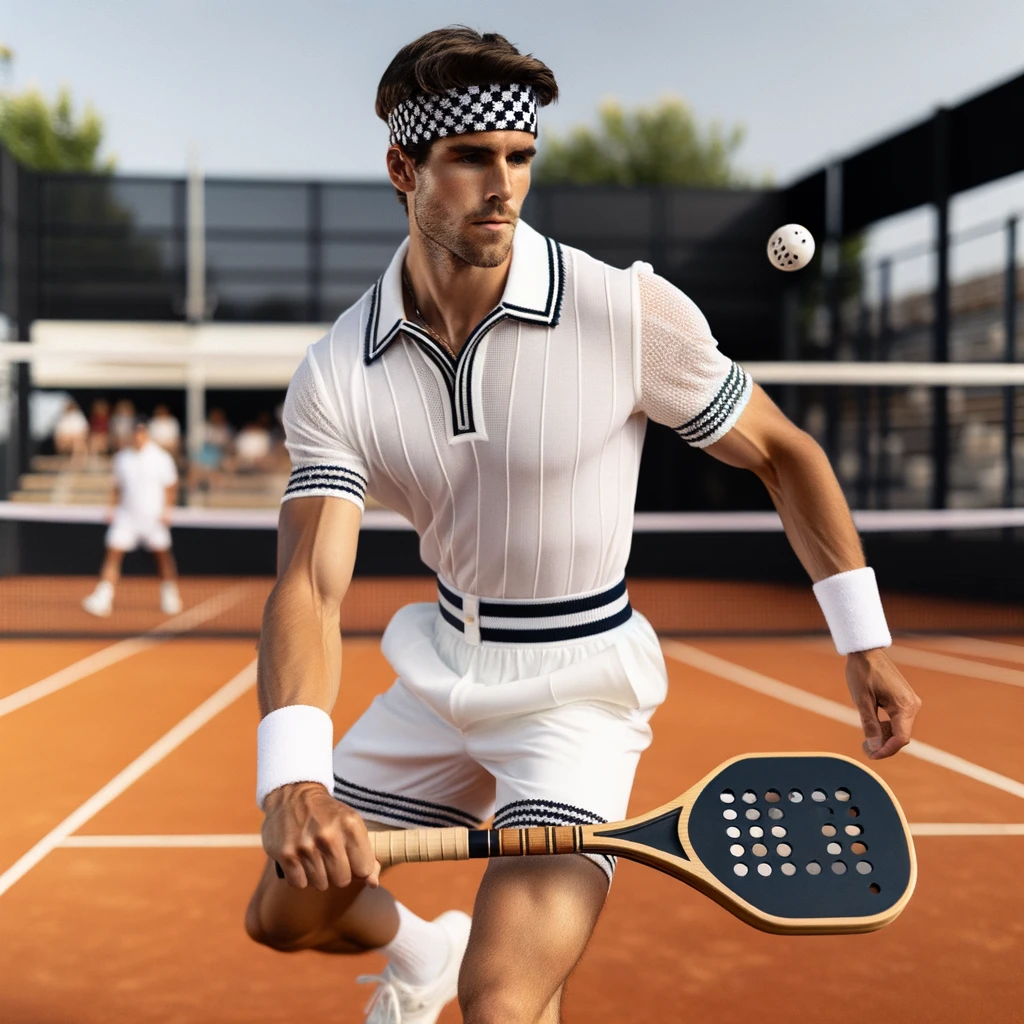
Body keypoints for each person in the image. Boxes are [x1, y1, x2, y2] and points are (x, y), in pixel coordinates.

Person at [245, 28, 922, 1024]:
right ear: (403, 169)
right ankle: (424, 949)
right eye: (471, 157)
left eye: (520, 157)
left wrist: (865, 644)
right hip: (439, 672)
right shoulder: (337, 371)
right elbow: (309, 583)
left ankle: (468, 971)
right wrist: (292, 784)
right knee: (285, 915)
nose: (503, 187)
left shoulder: (624, 311)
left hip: (579, 693)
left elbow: (784, 453)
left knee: (502, 1003)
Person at [82, 417, 183, 618]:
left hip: (153, 517)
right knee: (113, 553)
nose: (137, 436)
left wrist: (167, 510)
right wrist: (112, 508)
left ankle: (170, 595)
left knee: (162, 556)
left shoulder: (161, 458)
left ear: (146, 433)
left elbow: (171, 486)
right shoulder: (122, 458)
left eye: (141, 432)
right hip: (126, 517)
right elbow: (117, 486)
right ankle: (104, 597)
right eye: (135, 432)